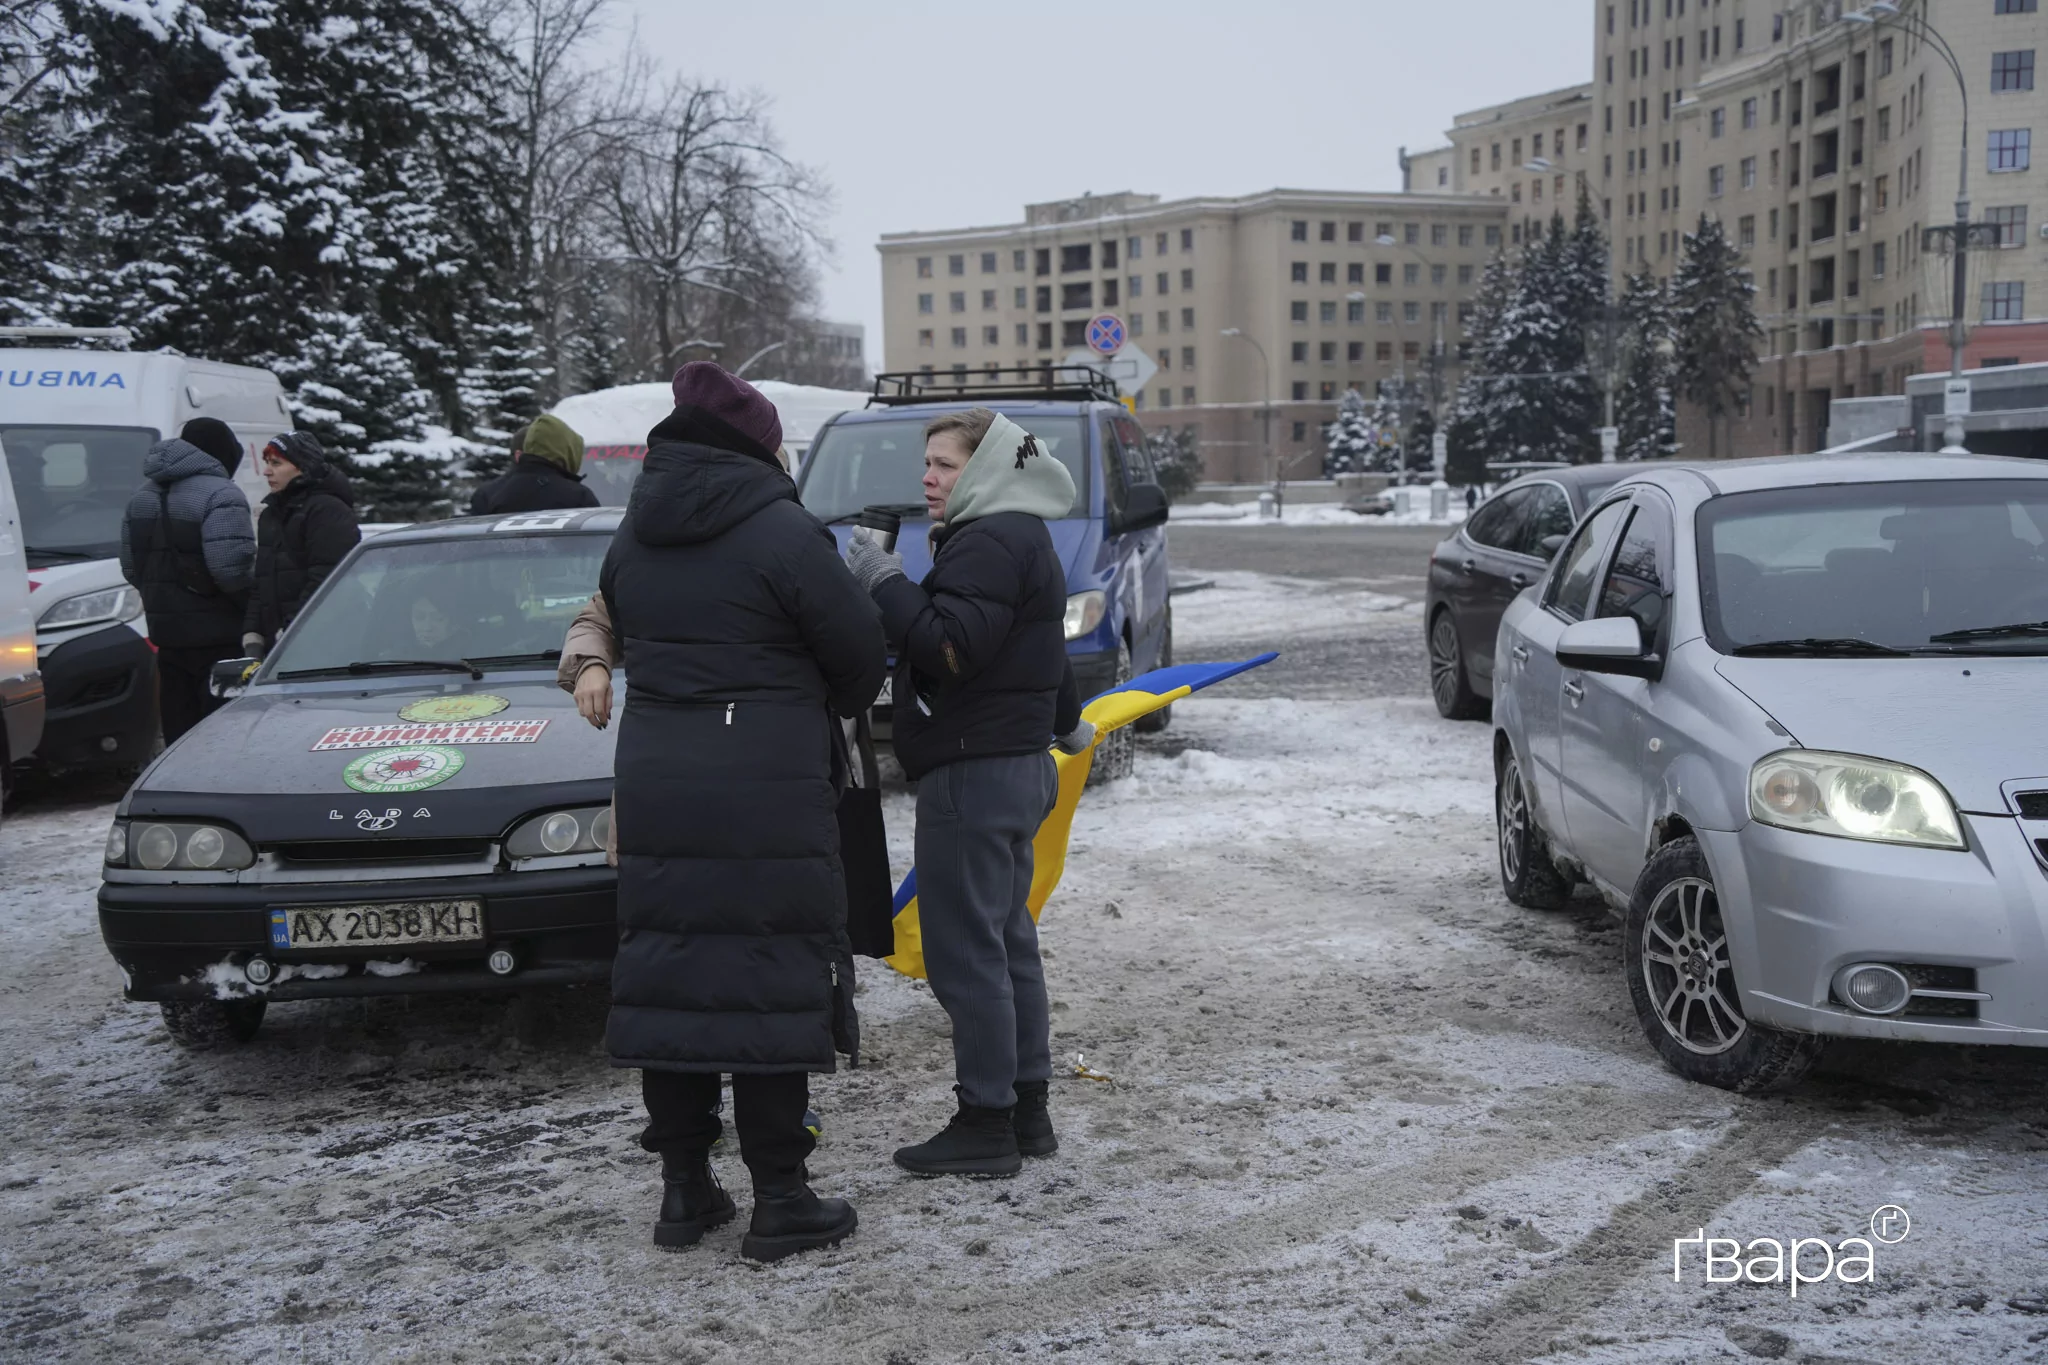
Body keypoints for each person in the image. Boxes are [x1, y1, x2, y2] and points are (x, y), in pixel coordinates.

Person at [601, 362, 884, 1262]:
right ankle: (782, 1196)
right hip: (765, 787)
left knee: (674, 968)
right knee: (767, 973)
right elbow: (860, 659)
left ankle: (685, 1190)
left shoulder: (633, 535)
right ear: (762, 447)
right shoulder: (783, 530)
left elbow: (625, 631)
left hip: (656, 779)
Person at [844, 406, 1094, 1179]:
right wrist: (1068, 723)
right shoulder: (1023, 537)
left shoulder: (986, 541)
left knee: (965, 952)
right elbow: (1039, 649)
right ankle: (1027, 1109)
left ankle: (985, 1121)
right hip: (1016, 765)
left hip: (973, 772)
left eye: (946, 465)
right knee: (1008, 942)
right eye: (927, 463)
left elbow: (951, 646)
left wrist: (881, 580)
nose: (928, 477)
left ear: (985, 471)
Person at [118, 418, 255, 743]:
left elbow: (130, 567)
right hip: (220, 640)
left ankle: (181, 791)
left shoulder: (140, 498)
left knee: (180, 734)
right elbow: (231, 571)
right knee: (223, 733)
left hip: (167, 637)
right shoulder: (221, 493)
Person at [242, 432, 359, 658]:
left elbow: (327, 580)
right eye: (267, 463)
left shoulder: (327, 511)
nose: (267, 471)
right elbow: (262, 581)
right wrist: (253, 635)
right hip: (280, 644)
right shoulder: (272, 515)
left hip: (321, 642)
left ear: (302, 467)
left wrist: (292, 630)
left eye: (276, 463)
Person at [467, 414, 599, 515]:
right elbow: (600, 546)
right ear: (567, 453)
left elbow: (472, 546)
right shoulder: (578, 498)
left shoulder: (487, 495)